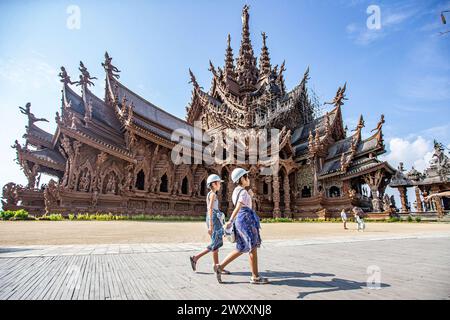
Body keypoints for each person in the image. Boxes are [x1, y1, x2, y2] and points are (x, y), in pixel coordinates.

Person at [214, 168, 269, 285]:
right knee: (252, 246)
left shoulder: (237, 191)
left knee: (241, 247)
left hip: (241, 219)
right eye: (246, 177)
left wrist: (249, 195)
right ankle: (255, 277)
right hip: (246, 219)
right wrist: (230, 220)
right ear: (241, 179)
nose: (248, 179)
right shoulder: (243, 192)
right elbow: (238, 206)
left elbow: (240, 203)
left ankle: (220, 266)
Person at [190, 174, 231, 275]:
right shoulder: (213, 194)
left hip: (212, 218)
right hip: (213, 219)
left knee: (215, 243)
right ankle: (196, 258)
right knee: (215, 243)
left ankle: (217, 266)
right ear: (214, 184)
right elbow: (210, 209)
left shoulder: (210, 194)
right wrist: (211, 226)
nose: (220, 185)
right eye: (218, 183)